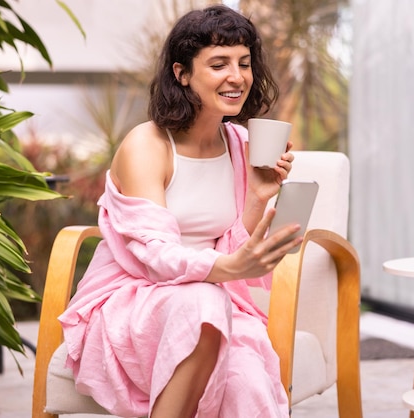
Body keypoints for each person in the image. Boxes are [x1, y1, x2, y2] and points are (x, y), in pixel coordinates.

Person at [58, 5, 299, 418]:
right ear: (181, 72)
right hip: (135, 294)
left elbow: (231, 247)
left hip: (212, 294)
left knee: (246, 379)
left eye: (244, 63)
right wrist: (226, 268)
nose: (237, 77)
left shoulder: (240, 143)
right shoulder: (147, 144)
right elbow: (152, 255)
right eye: (218, 64)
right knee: (203, 304)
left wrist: (259, 197)